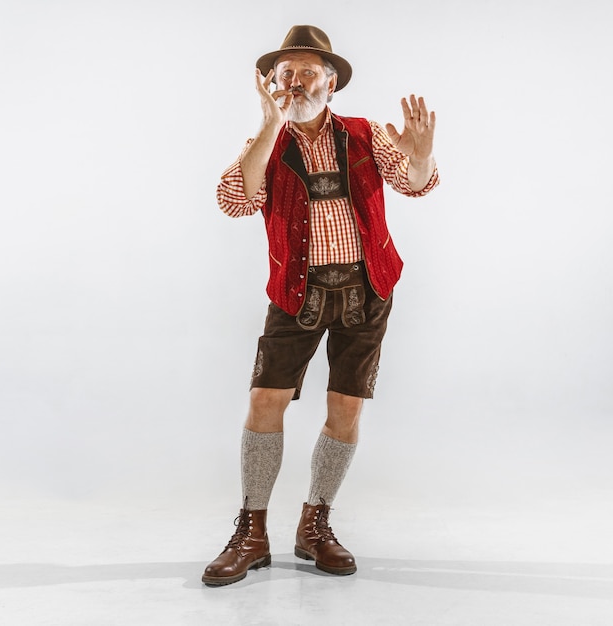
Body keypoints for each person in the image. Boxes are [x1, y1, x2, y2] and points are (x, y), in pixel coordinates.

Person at [202, 24, 439, 586]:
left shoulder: (365, 132)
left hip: (367, 290)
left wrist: (423, 156)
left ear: (331, 85)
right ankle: (252, 530)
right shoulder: (267, 143)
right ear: (271, 83)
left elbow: (416, 184)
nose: (297, 82)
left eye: (310, 72)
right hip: (295, 293)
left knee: (346, 410)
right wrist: (267, 127)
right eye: (287, 73)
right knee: (265, 401)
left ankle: (315, 524)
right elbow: (234, 200)